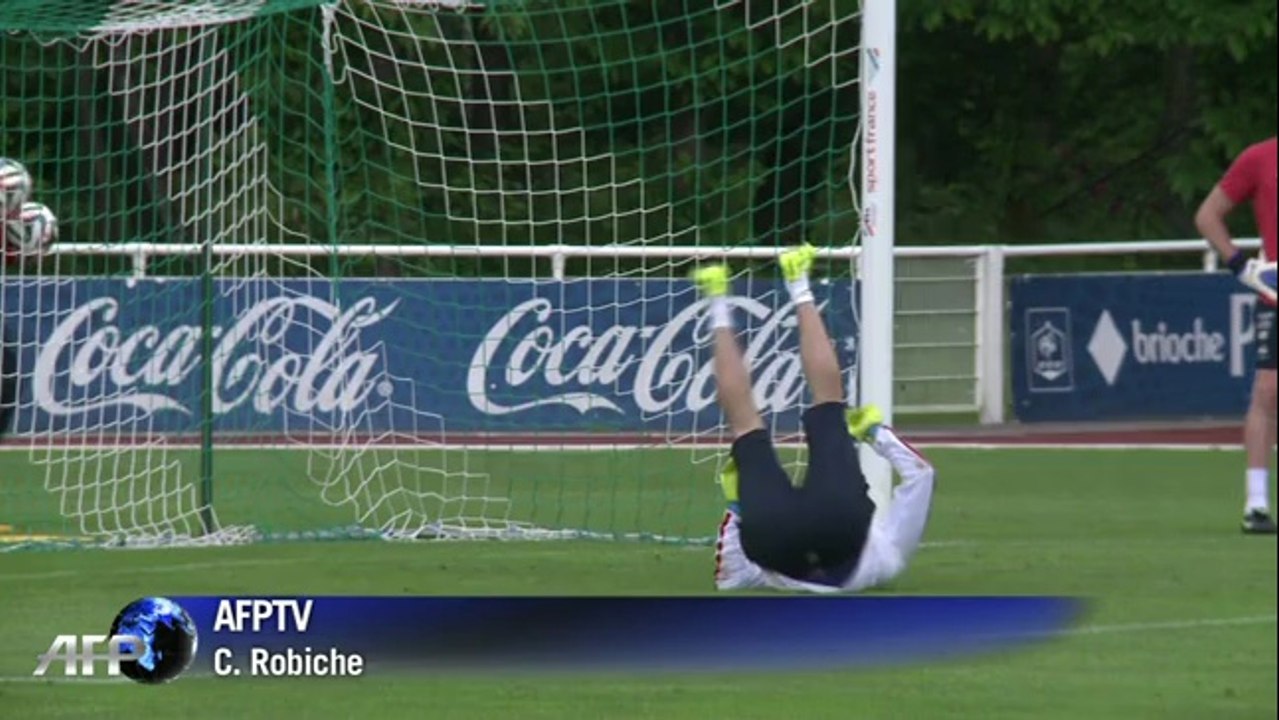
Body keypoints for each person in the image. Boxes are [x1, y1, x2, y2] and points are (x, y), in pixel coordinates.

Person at [692, 244, 936, 593]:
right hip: (783, 539)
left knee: (828, 402)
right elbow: (730, 575)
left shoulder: (889, 558)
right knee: (746, 426)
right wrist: (737, 505)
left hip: (840, 526)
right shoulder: (883, 559)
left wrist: (874, 432)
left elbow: (922, 475)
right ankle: (719, 297)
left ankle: (791, 280)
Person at [1194, 136, 1277, 535]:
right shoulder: (1259, 158)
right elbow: (1208, 215)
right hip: (1277, 296)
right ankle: (1256, 505)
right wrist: (1242, 267)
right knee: (1268, 391)